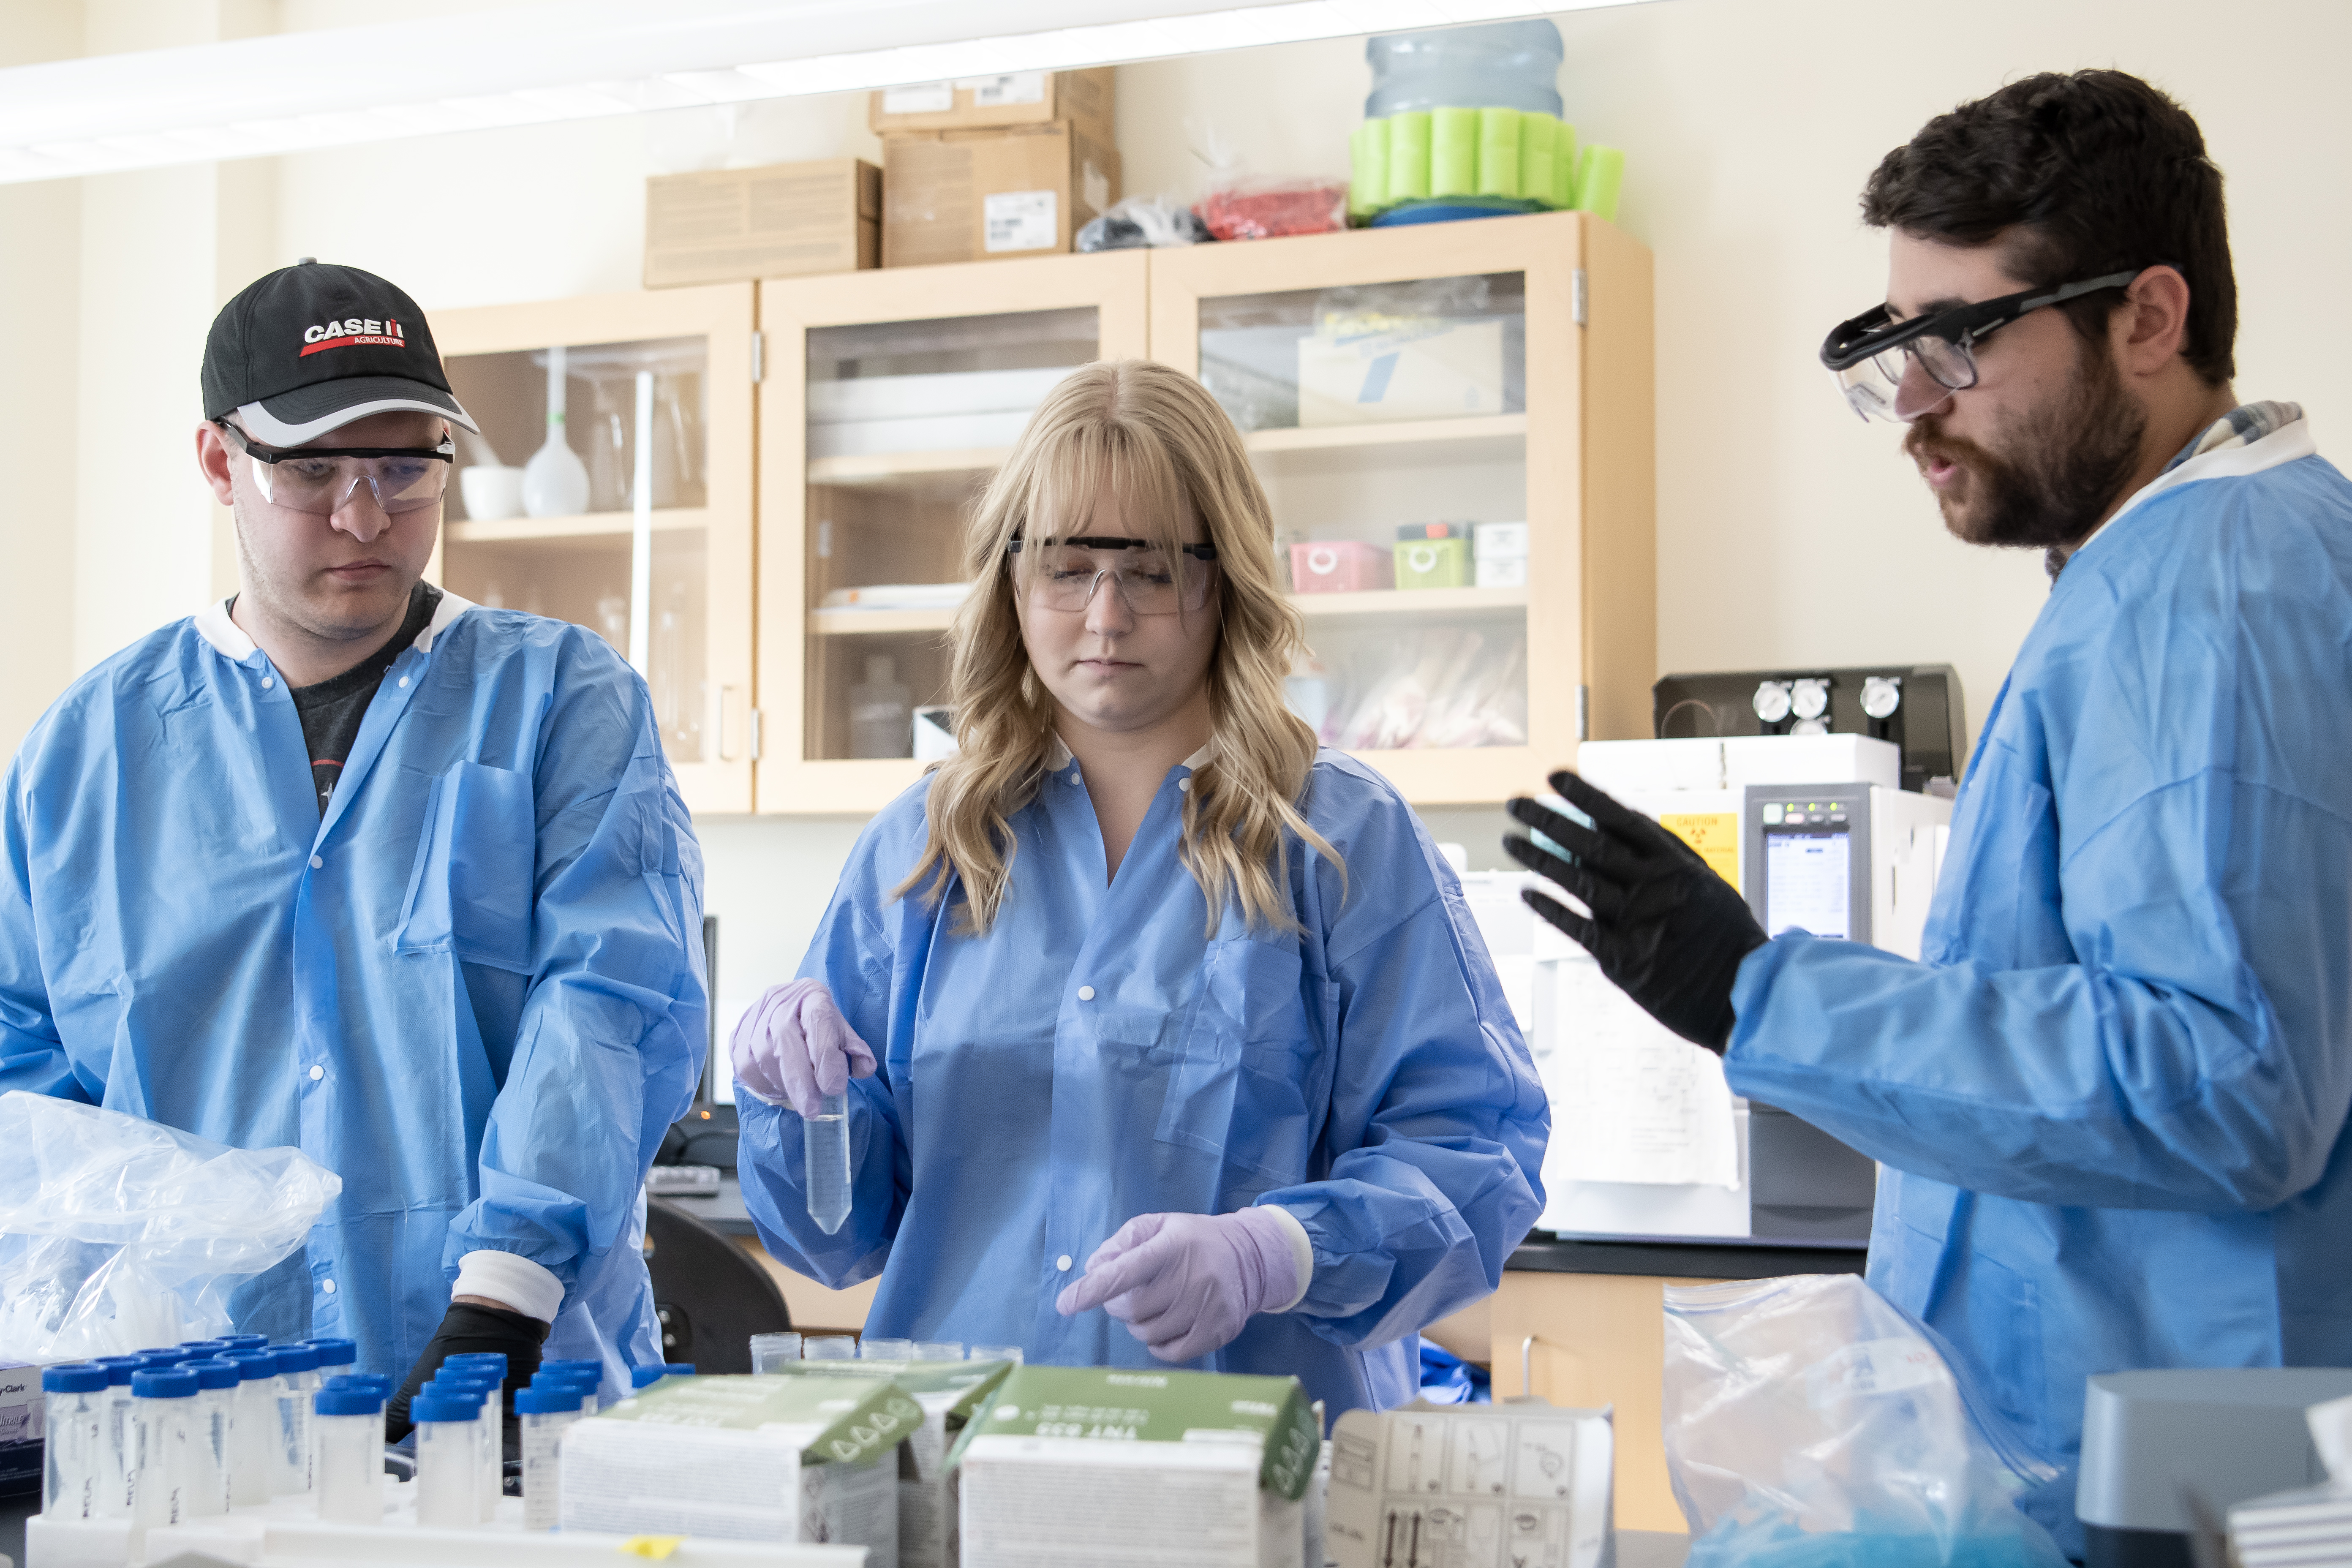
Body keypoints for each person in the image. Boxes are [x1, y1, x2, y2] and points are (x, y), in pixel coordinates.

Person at [1506, 71, 2352, 1554]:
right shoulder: (2212, 558)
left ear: (2145, 320)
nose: (1908, 403)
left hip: (2162, 1478)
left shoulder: (2199, 593)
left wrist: (1761, 992)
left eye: (1958, 339)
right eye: (1895, 347)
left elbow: (2221, 1080)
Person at [731, 359, 1546, 1414]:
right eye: (1067, 567)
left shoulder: (1340, 839)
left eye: (1153, 570)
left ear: (1225, 580)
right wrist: (797, 1098)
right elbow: (835, 1242)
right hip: (964, 1464)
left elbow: (1475, 1155)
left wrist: (1275, 1250)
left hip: (1251, 1469)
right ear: (1012, 580)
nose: (1105, 618)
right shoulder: (924, 851)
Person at [0, 260, 707, 1425]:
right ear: (221, 462)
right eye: (315, 470)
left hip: (515, 1373)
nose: (366, 517)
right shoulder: (93, 750)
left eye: (404, 468)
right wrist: (106, 1305)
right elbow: (29, 1079)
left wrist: (506, 1292)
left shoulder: (559, 702)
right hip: (193, 1403)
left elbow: (609, 1001)